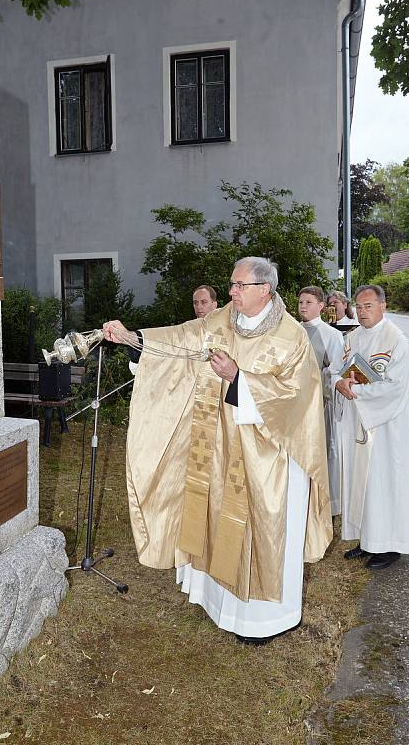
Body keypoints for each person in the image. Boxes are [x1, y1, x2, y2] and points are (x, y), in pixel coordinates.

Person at [103, 257, 332, 642]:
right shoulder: (222, 321)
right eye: (232, 285)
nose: (231, 292)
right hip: (219, 448)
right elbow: (181, 339)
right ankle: (219, 604)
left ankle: (264, 620)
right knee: (215, 518)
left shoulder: (290, 338)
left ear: (265, 290)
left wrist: (238, 378)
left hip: (269, 457)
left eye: (240, 286)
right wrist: (132, 338)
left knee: (260, 531)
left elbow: (298, 399)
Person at [331, 285, 409, 570]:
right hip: (358, 422)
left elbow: (396, 387)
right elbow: (335, 369)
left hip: (385, 427)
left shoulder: (396, 341)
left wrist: (356, 393)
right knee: (361, 483)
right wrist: (338, 383)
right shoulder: (352, 337)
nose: (363, 311)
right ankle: (366, 540)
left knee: (383, 484)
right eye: (360, 306)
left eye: (369, 305)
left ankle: (389, 545)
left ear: (383, 305)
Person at [298, 286, 344, 516]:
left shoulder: (331, 335)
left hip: (319, 404)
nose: (303, 306)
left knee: (323, 452)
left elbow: (336, 371)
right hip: (294, 405)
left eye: (308, 302)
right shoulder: (293, 332)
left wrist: (317, 377)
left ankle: (324, 504)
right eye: (300, 302)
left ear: (321, 306)